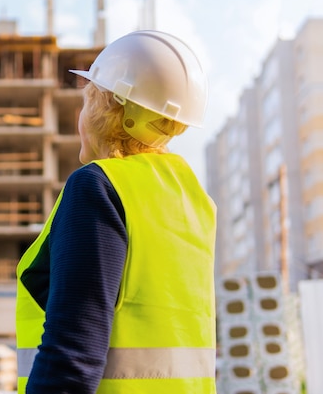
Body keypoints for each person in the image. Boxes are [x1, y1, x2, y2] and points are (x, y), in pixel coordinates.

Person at [16, 30, 218, 394]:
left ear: (113, 110)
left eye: (88, 101)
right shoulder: (193, 201)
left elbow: (72, 356)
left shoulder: (98, 187)